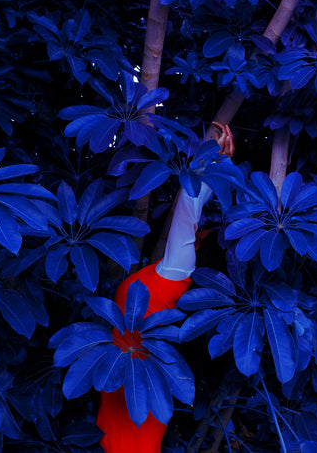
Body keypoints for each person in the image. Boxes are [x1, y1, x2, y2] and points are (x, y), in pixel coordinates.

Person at [96, 123, 235, 453]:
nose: (202, 230)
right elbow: (191, 213)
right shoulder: (172, 275)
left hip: (134, 380)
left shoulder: (177, 271)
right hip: (125, 378)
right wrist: (214, 160)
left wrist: (212, 159)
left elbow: (190, 208)